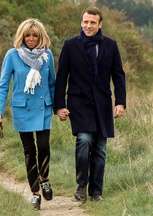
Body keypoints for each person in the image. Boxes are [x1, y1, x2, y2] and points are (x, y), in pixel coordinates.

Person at [54, 6, 126, 202]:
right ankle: (81, 186)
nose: (88, 25)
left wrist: (120, 102)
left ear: (100, 24)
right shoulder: (70, 45)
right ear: (81, 22)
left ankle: (96, 192)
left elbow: (118, 75)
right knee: (84, 141)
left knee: (100, 149)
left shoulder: (110, 45)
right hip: (78, 103)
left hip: (102, 104)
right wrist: (59, 106)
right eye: (85, 21)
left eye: (92, 22)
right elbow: (61, 78)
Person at [0, 18, 55, 210]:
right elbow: (3, 86)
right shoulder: (12, 55)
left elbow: (53, 82)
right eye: (27, 35)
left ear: (40, 36)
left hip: (43, 108)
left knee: (43, 146)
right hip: (21, 109)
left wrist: (58, 106)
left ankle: (44, 178)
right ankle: (35, 193)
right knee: (29, 151)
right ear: (21, 36)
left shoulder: (47, 56)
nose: (30, 38)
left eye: (34, 35)